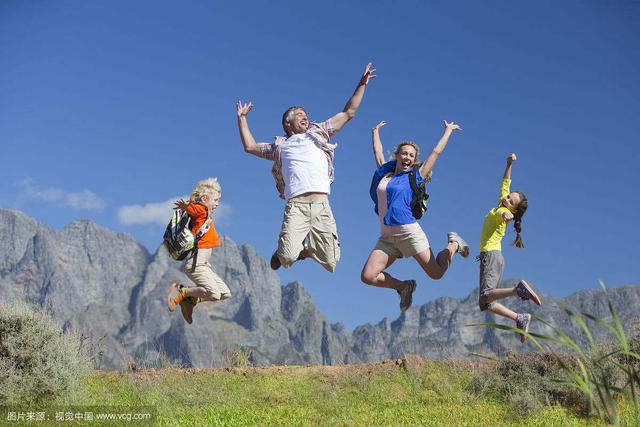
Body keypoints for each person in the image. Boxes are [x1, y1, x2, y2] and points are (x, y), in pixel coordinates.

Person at [236, 63, 376, 272]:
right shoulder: (280, 148)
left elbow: (349, 112)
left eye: (305, 114)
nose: (305, 116)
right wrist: (242, 119)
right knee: (286, 257)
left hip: (321, 204)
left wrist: (362, 84)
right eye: (299, 114)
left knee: (331, 262)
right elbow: (250, 146)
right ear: (287, 124)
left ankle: (307, 249)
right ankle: (291, 250)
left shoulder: (319, 133)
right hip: (297, 206)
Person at [361, 120, 469, 312]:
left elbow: (436, 152)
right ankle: (403, 287)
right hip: (386, 239)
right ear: (397, 155)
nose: (407, 157)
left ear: (414, 159)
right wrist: (375, 131)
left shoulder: (414, 176)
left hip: (410, 234)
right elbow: (378, 153)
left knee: (436, 273)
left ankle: (454, 245)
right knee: (368, 276)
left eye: (411, 155)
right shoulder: (384, 175)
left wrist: (448, 131)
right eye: (404, 153)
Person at [477, 154, 540, 343]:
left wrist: (506, 215)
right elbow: (506, 182)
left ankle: (518, 290)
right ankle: (519, 318)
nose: (507, 199)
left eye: (511, 202)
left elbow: (505, 214)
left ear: (513, 210)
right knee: (485, 303)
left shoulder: (502, 212)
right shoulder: (501, 202)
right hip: (492, 257)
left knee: (486, 295)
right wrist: (508, 164)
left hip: (491, 256)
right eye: (508, 197)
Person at [166, 177, 231, 324]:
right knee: (214, 294)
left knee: (224, 293)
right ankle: (182, 292)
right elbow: (194, 209)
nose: (218, 204)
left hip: (204, 266)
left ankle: (190, 300)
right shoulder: (201, 211)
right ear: (205, 198)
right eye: (216, 200)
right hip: (197, 266)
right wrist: (186, 206)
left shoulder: (206, 215)